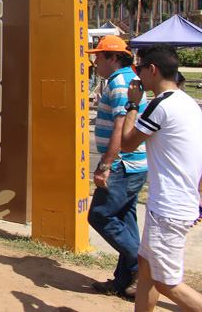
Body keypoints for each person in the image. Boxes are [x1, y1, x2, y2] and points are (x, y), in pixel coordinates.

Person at [121, 43, 202, 311]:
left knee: (167, 282)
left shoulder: (160, 105)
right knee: (146, 269)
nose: (137, 75)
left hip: (167, 208)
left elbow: (127, 144)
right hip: (178, 203)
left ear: (152, 70)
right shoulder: (189, 103)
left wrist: (132, 104)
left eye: (139, 69)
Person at [86, 35, 148, 298]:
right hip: (131, 165)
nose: (95, 62)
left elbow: (121, 129)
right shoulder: (124, 79)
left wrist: (105, 165)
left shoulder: (121, 83)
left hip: (123, 165)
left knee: (100, 215)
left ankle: (141, 263)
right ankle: (124, 282)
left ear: (113, 58)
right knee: (124, 220)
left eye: (98, 56)